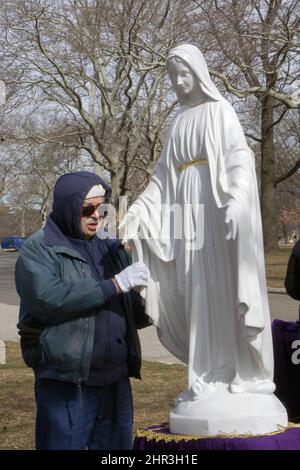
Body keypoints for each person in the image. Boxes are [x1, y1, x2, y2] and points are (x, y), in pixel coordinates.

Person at [120, 44, 276, 401]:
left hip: (216, 213)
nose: (178, 82)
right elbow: (162, 178)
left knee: (223, 290)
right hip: (186, 219)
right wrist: (139, 210)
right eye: (173, 77)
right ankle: (205, 371)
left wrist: (237, 201)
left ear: (198, 73)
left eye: (183, 74)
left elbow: (239, 157)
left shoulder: (220, 112)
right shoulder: (177, 122)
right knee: (194, 292)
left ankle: (240, 368)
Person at [15, 170, 149, 450]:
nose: (97, 217)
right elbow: (48, 299)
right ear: (67, 207)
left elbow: (132, 310)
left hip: (116, 382)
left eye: (102, 209)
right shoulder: (39, 249)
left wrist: (162, 301)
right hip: (66, 384)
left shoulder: (111, 248)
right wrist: (113, 284)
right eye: (87, 209)